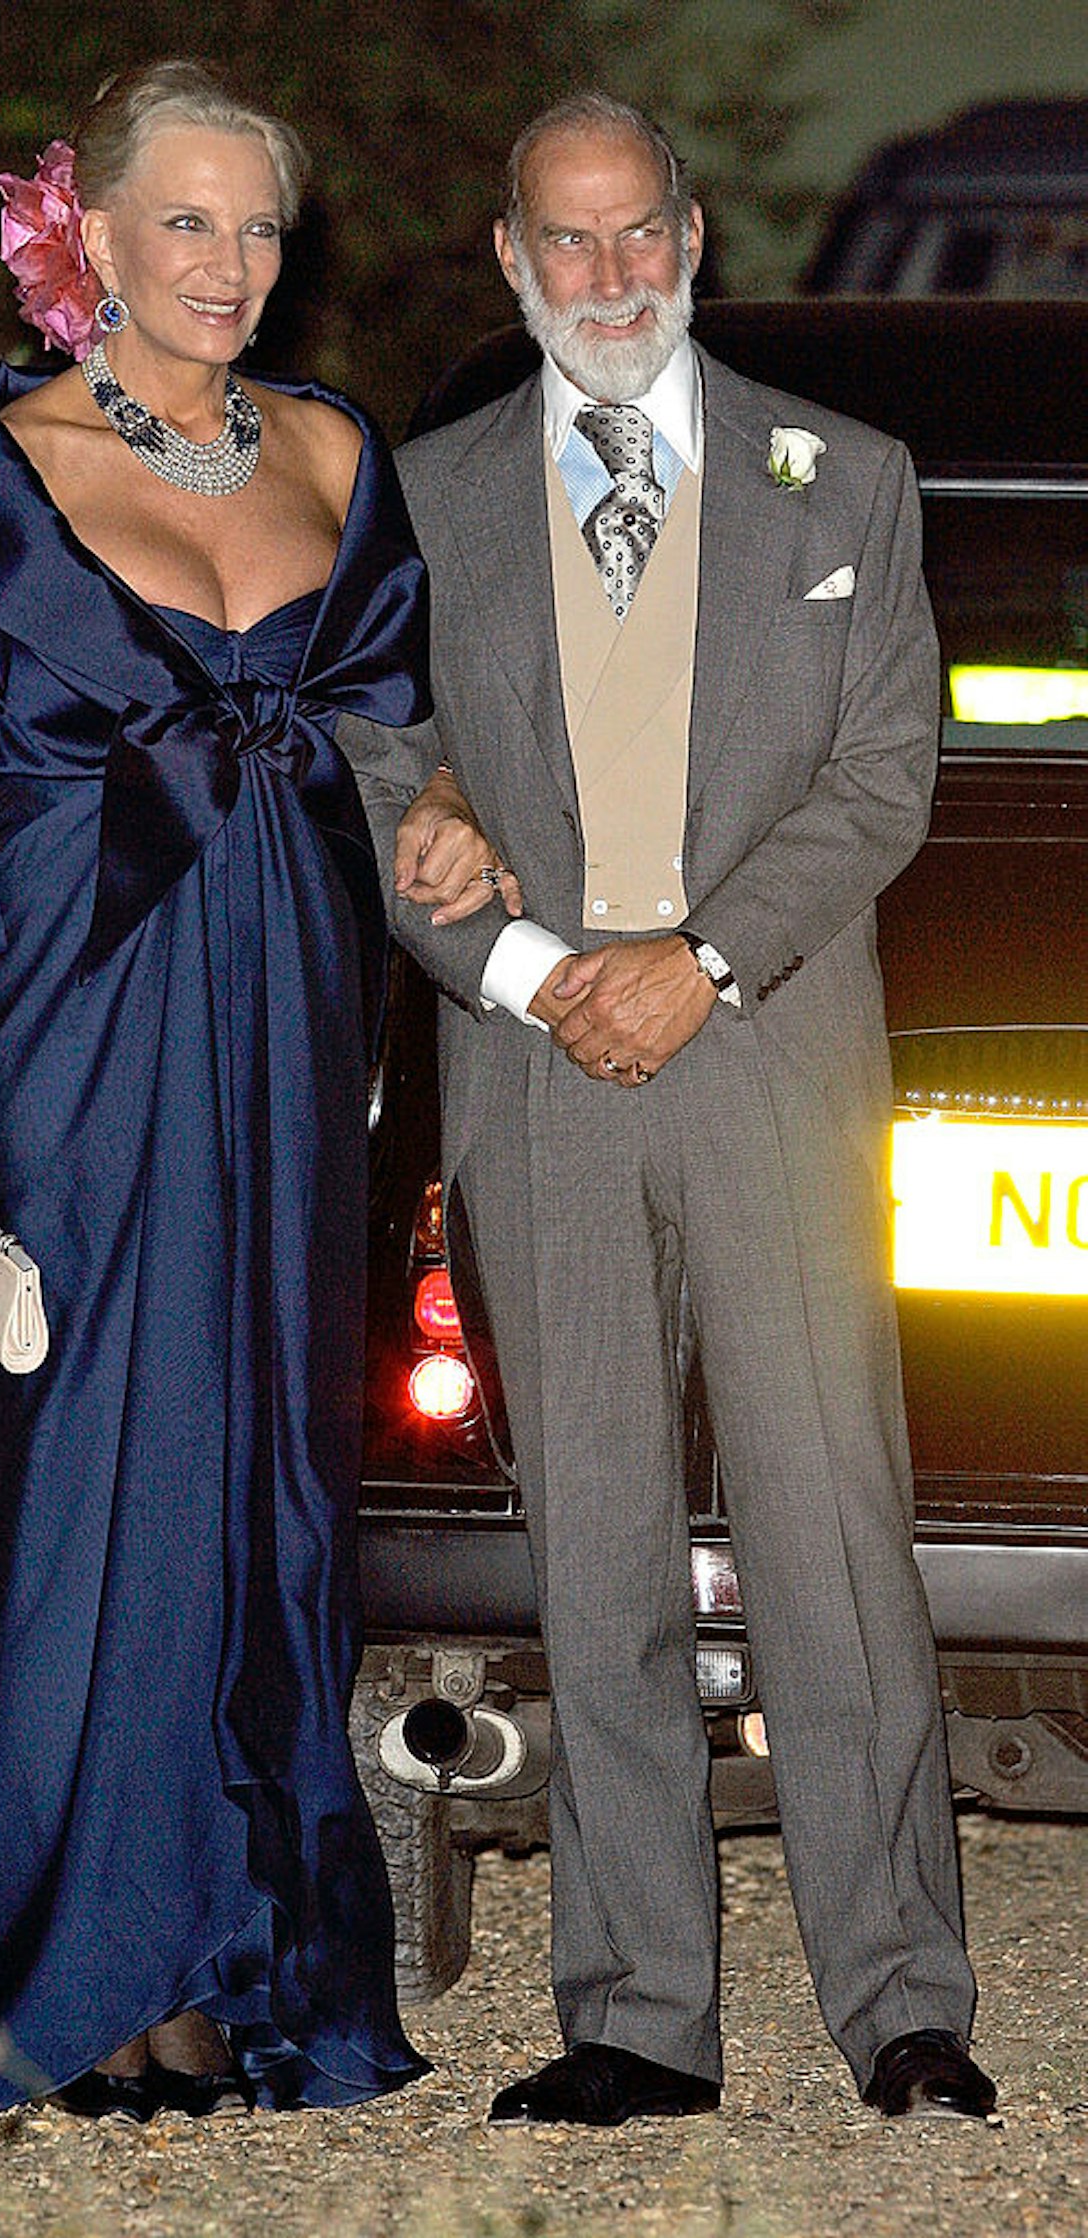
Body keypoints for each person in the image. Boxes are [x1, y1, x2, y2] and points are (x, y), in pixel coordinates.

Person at [0, 59, 494, 2120]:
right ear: (86, 233)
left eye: (259, 228)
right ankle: (49, 1966)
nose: (231, 266)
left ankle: (225, 1951)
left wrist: (446, 826)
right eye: (186, 221)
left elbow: (388, 738)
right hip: (66, 1010)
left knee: (264, 1464)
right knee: (79, 1466)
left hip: (280, 1006)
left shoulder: (344, 454)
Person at [340, 92, 997, 2127]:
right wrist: (532, 969)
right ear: (518, 267)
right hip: (535, 1071)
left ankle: (903, 1997)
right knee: (595, 1550)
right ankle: (633, 2016)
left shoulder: (845, 480)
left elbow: (889, 769)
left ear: (690, 241)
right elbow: (376, 766)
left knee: (834, 1537)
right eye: (571, 244)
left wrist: (695, 963)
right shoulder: (425, 499)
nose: (612, 277)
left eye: (643, 239)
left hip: (769, 1051)